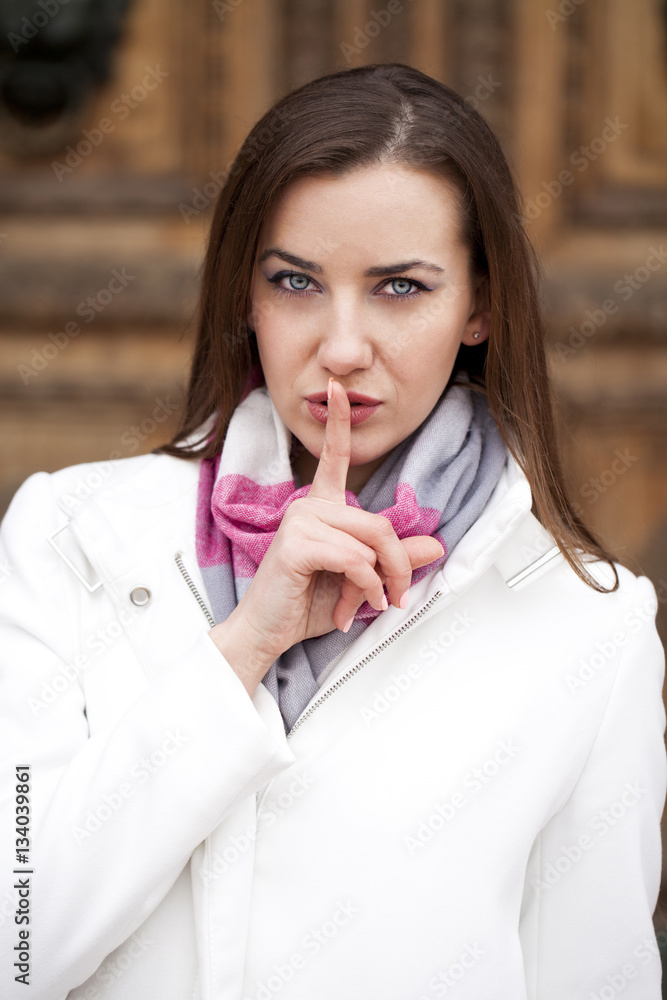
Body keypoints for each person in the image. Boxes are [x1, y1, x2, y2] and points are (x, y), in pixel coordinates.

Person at [1, 62, 665, 1000]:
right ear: (245, 293)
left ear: (478, 305)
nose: (342, 346)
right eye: (295, 281)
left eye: (399, 288)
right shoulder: (70, 537)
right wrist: (240, 650)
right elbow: (14, 946)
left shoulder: (589, 627)